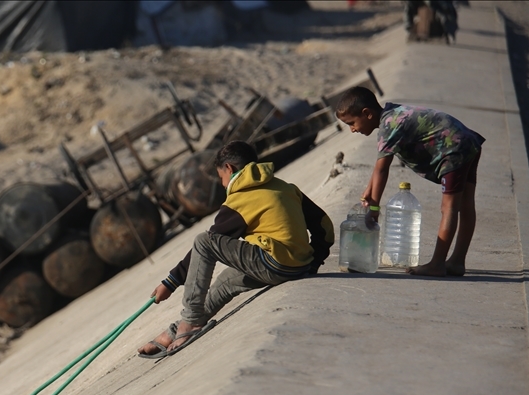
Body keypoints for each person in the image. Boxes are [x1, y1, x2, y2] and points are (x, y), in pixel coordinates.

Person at [138, 141, 334, 357]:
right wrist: (314, 261)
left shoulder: (240, 199)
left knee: (204, 240)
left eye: (220, 177)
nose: (222, 184)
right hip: (297, 266)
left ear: (229, 169)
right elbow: (324, 225)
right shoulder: (285, 187)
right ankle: (177, 329)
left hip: (274, 264)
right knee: (226, 281)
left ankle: (191, 322)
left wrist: (171, 282)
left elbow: (209, 244)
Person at [335, 86, 484, 277]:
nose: (352, 129)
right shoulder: (393, 116)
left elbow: (383, 169)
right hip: (467, 142)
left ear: (367, 114)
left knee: (449, 208)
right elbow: (378, 165)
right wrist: (368, 190)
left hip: (453, 149)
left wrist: (374, 210)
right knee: (466, 204)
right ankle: (457, 261)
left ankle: (437, 264)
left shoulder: (388, 127)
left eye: (352, 123)